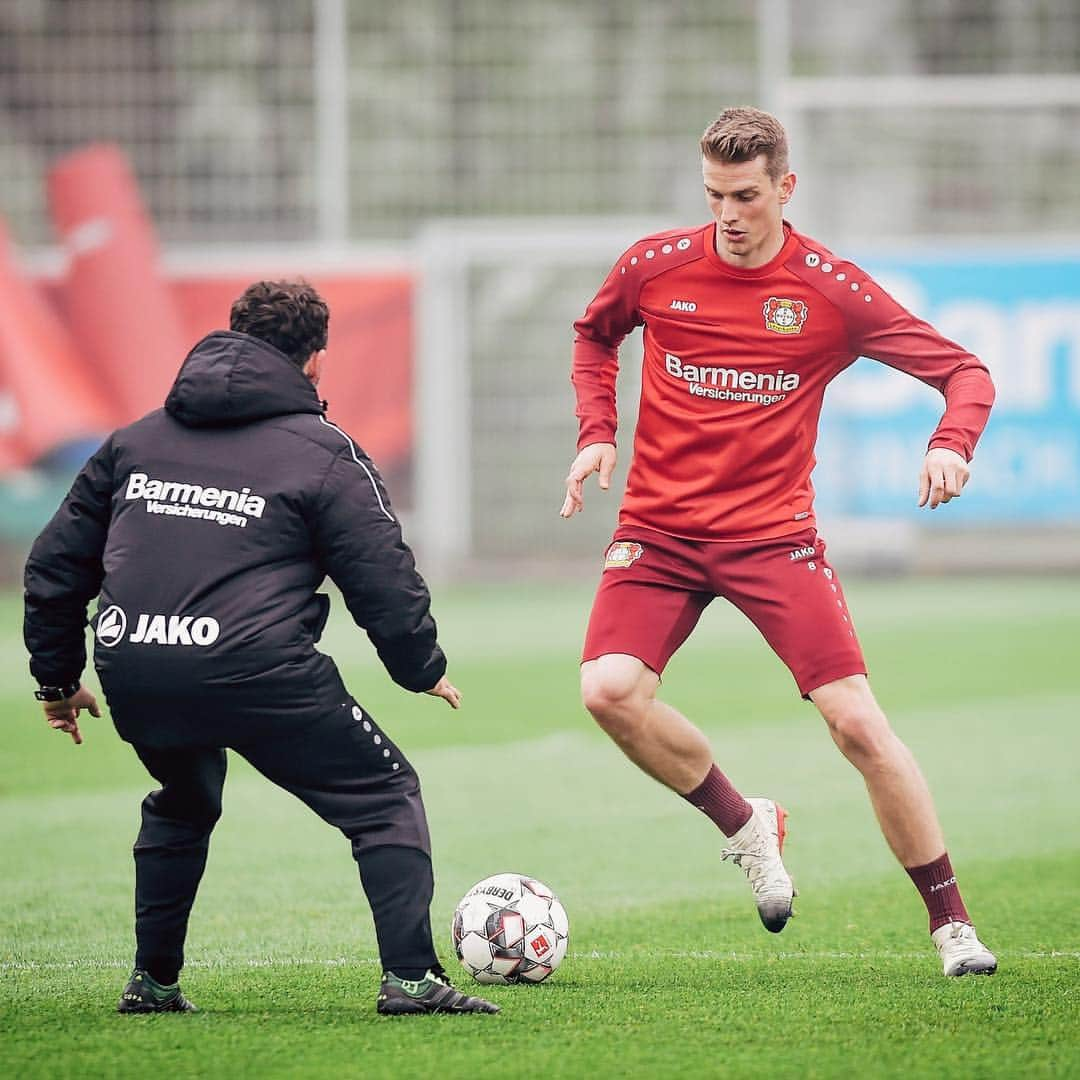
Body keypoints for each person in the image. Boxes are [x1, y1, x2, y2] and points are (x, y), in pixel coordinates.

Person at [561, 107, 997, 977]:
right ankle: (745, 823)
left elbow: (965, 372)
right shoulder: (654, 267)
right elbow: (593, 334)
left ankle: (953, 927)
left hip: (772, 541)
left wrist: (952, 445)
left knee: (858, 726)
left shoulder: (830, 291)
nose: (729, 213)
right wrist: (596, 429)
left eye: (748, 195)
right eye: (716, 194)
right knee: (608, 691)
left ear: (785, 189)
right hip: (660, 531)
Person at [24, 280, 499, 1016]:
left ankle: (152, 984)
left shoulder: (136, 440)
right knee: (383, 796)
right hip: (259, 671)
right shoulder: (323, 452)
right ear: (314, 363)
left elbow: (54, 568)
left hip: (137, 665)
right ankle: (411, 981)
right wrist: (421, 668)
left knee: (183, 799)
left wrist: (56, 679)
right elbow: (382, 575)